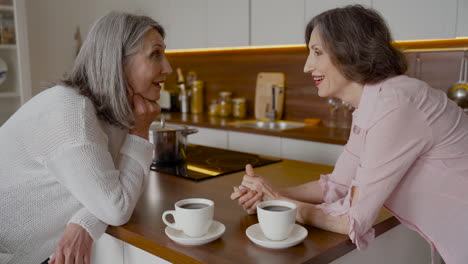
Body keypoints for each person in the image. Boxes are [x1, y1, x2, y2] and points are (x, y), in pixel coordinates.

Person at [231, 5, 468, 264]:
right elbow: (338, 185)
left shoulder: (394, 103)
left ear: (349, 50)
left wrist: (281, 204)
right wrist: (271, 193)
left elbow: (352, 220)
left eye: (317, 52)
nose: (307, 66)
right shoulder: (372, 104)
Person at [0, 12, 172, 263]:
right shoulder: (73, 113)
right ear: (117, 61)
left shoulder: (112, 109)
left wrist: (84, 221)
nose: (167, 67)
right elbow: (117, 207)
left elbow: (118, 184)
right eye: (155, 54)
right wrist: (140, 132)